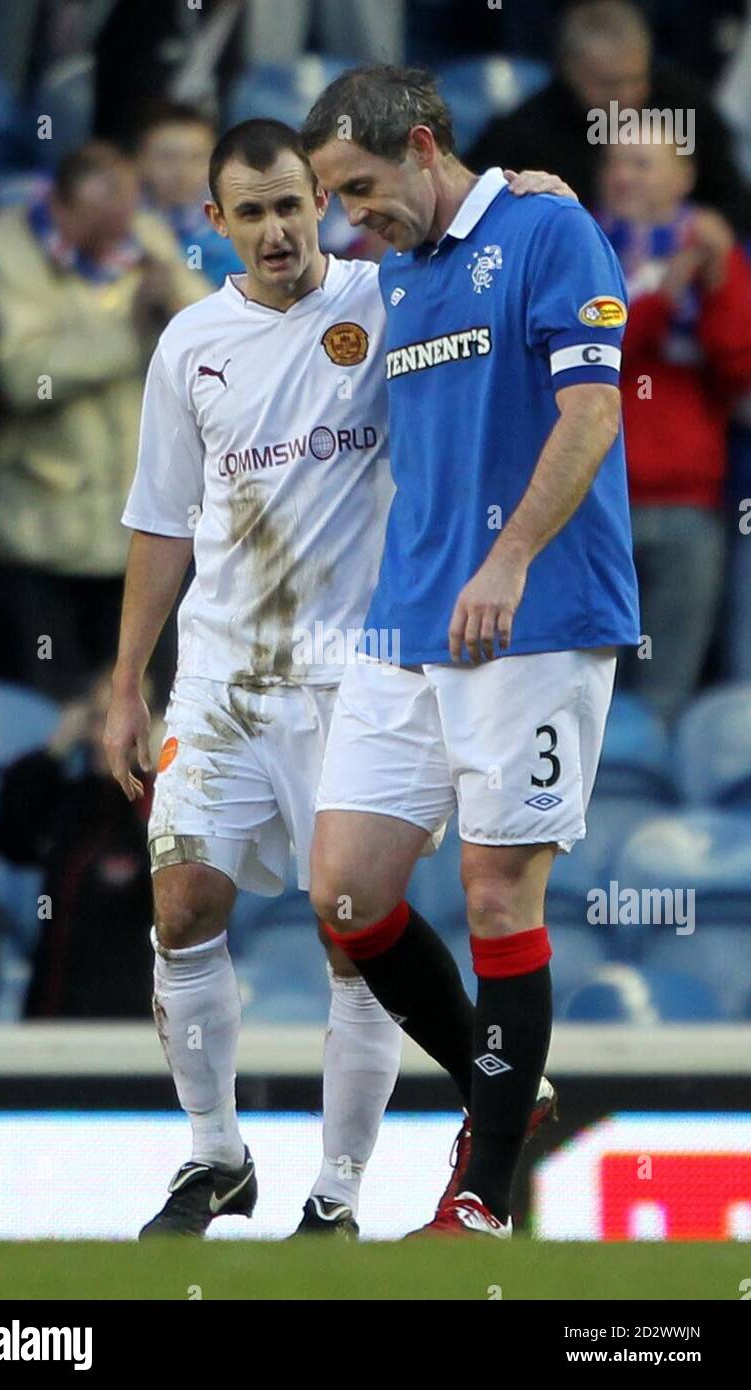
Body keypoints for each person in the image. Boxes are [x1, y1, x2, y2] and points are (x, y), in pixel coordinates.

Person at [104, 116, 567, 1239]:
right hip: (221, 675)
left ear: (320, 203)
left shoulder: (385, 297)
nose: (275, 230)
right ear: (212, 225)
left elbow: (470, 236)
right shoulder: (188, 346)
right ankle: (214, 1157)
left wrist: (527, 195)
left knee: (352, 930)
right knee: (180, 905)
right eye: (249, 212)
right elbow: (163, 523)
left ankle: (338, 1189)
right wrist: (128, 682)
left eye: (291, 205)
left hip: (353, 675)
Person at [301, 64, 640, 1238]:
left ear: (427, 146)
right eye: (334, 197)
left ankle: (483, 1194)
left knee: (499, 892)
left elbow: (592, 411)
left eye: (361, 188)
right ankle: (509, 1084)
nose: (353, 217)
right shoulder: (394, 265)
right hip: (409, 619)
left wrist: (509, 561)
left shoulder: (552, 232)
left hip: (534, 616)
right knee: (345, 889)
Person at [0, 141, 203, 702]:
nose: (120, 235)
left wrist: (174, 305)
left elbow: (209, 338)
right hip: (31, 542)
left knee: (142, 723)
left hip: (130, 538)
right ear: (62, 204)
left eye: (128, 218)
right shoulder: (4, 250)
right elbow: (20, 374)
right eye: (102, 224)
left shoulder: (142, 234)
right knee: (43, 725)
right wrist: (127, 333)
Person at [597, 138, 751, 720]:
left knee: (666, 699)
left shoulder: (714, 253)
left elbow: (740, 367)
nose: (622, 175)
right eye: (614, 161)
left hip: (690, 506)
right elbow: (602, 351)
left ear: (683, 177)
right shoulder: (577, 242)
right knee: (587, 694)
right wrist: (665, 297)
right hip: (591, 505)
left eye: (642, 163)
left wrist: (713, 283)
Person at [467, 0, 751, 237]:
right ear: (571, 71)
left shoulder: (686, 105)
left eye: (636, 79)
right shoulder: (527, 130)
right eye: (609, 84)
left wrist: (717, 225)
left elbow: (734, 200)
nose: (626, 96)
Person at [0, 668, 161, 1019]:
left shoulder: (162, 810)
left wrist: (162, 773)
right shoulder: (69, 804)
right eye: (99, 720)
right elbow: (8, 838)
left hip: (128, 1026)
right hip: (53, 1013)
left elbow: (173, 894)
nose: (108, 736)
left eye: (124, 720)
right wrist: (52, 752)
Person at [135, 102, 245, 289]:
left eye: (196, 158)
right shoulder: (124, 228)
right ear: (140, 161)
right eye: (168, 158)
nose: (182, 172)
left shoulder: (231, 235)